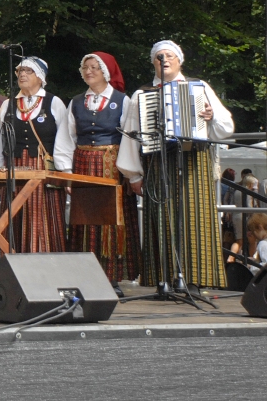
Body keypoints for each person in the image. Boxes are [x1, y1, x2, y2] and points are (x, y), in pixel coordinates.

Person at [118, 40, 232, 288]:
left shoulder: (199, 87)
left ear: (180, 60)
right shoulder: (142, 94)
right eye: (159, 56)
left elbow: (226, 128)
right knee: (163, 219)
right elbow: (130, 134)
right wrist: (134, 175)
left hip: (194, 162)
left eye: (170, 55)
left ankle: (197, 279)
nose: (165, 60)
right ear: (153, 63)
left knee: (196, 218)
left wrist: (211, 118)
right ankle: (163, 279)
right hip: (158, 162)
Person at [53, 52, 140, 292]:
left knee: (111, 220)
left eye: (94, 67)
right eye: (85, 67)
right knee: (84, 219)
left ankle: (111, 277)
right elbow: (66, 139)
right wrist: (67, 172)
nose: (89, 71)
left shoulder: (123, 101)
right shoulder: (76, 101)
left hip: (111, 165)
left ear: (107, 72)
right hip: (83, 164)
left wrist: (133, 174)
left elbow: (131, 139)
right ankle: (85, 275)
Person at [0, 56, 70, 253]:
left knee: (43, 218)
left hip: (43, 172)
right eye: (20, 71)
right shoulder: (7, 105)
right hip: (13, 170)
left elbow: (64, 141)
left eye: (28, 71)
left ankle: (47, 266)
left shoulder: (54, 103)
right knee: (15, 217)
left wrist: (66, 173)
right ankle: (13, 264)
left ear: (40, 77)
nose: (22, 74)